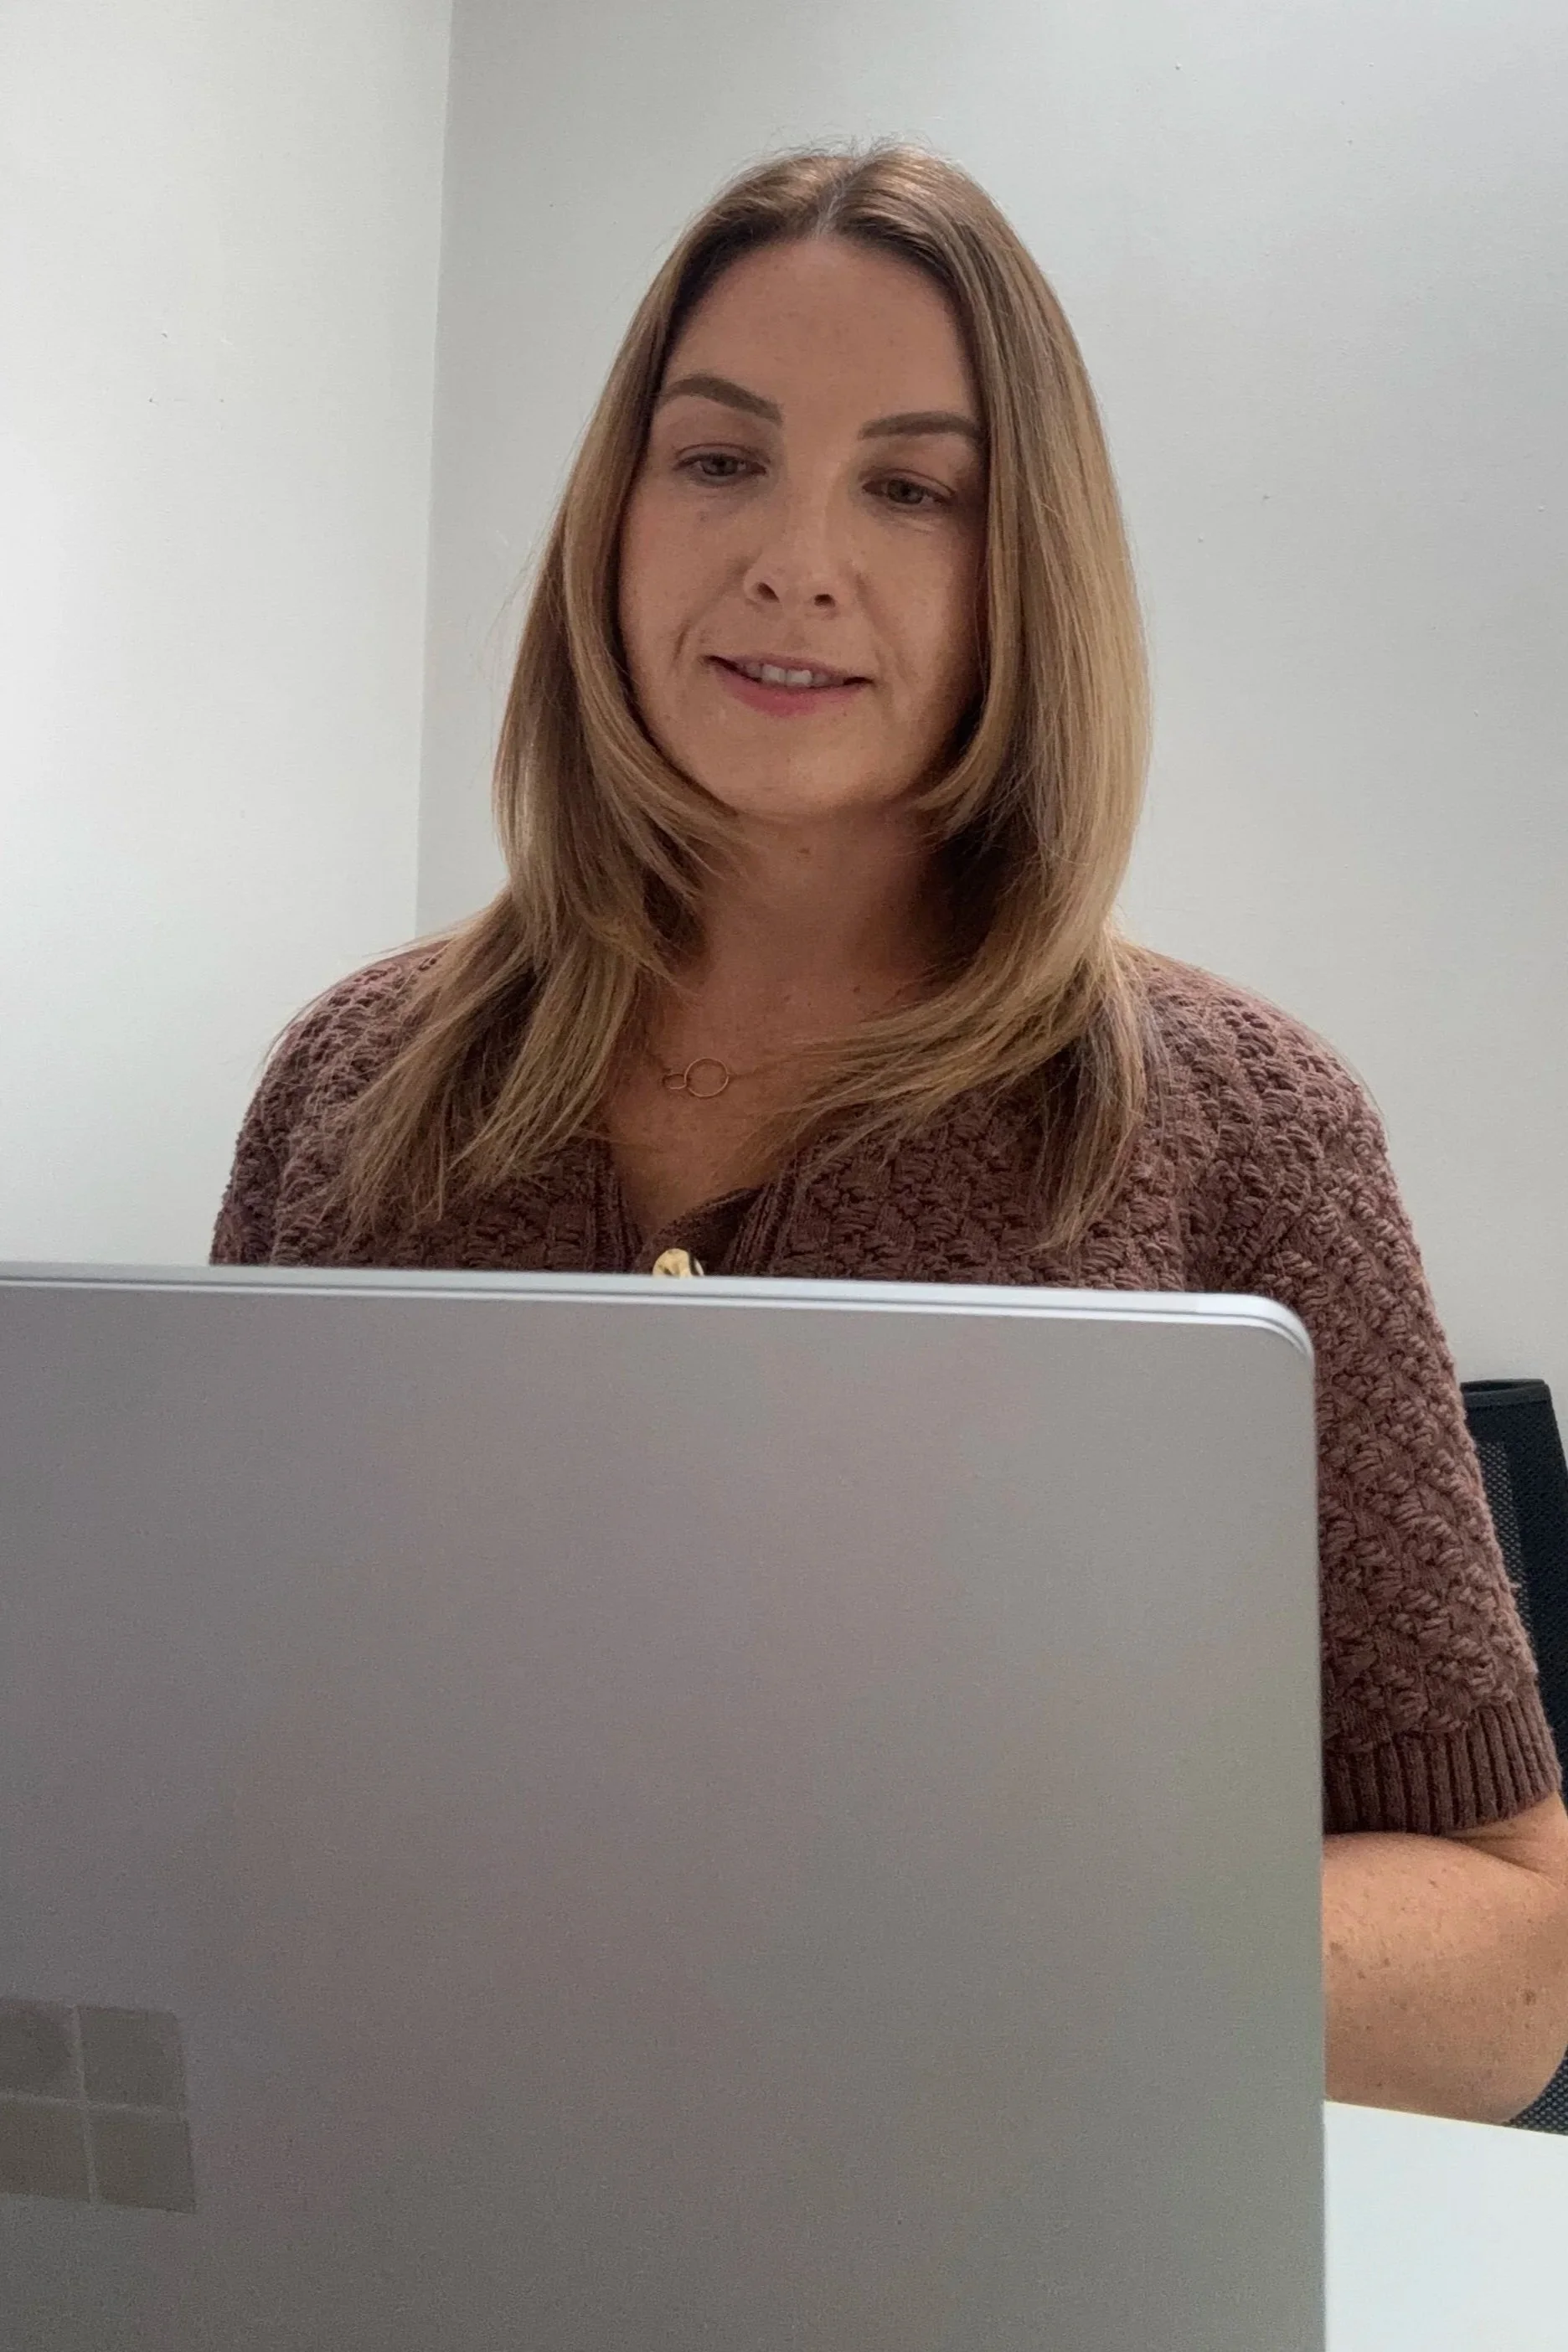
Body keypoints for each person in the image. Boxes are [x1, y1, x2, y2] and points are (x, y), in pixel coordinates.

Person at [212, 141, 1568, 2124]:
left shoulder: (1243, 1130)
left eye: (913, 488)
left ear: (1028, 568)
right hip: (384, 2209)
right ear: (618, 509)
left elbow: (1514, 1946)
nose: (793, 559)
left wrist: (950, 1975)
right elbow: (194, 1764)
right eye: (717, 458)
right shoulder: (352, 1085)